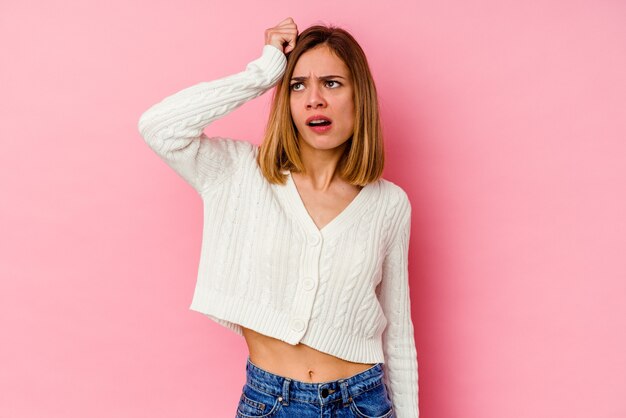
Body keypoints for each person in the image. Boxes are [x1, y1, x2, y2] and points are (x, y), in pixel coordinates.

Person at [138, 17, 418, 418]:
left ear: (361, 97)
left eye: (332, 83)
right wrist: (266, 70)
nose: (314, 99)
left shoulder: (389, 204)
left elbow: (398, 338)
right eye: (298, 85)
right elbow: (158, 127)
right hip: (271, 402)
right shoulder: (239, 173)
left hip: (364, 403)